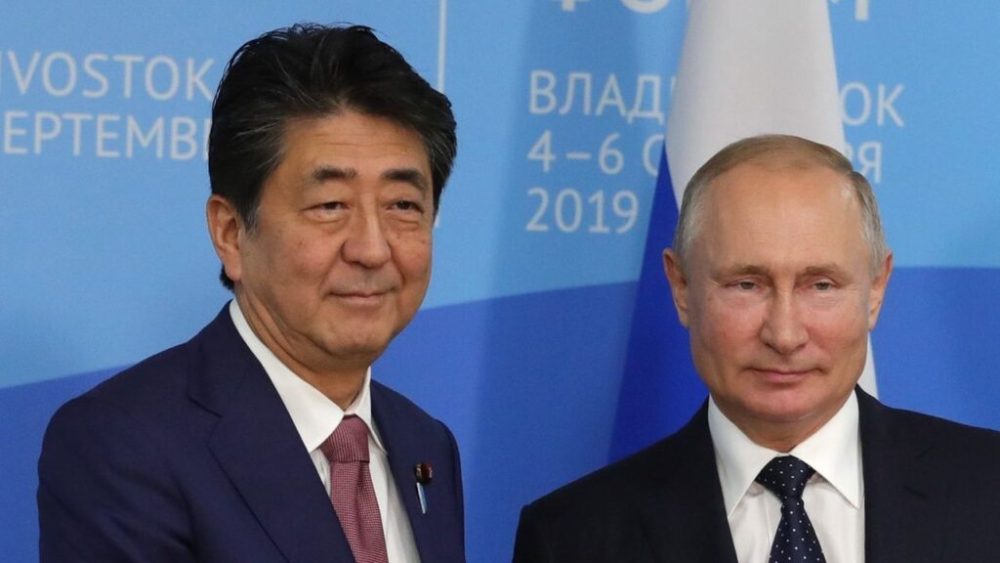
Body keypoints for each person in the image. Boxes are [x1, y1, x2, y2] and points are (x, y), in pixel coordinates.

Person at [38, 24, 465, 563]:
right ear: (231, 232)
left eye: (402, 205)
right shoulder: (123, 445)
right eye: (330, 205)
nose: (372, 249)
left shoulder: (426, 444)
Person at [513, 135, 1000, 562]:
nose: (784, 335)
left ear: (876, 290)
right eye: (746, 285)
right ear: (681, 288)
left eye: (821, 285)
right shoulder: (570, 539)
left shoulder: (988, 489)